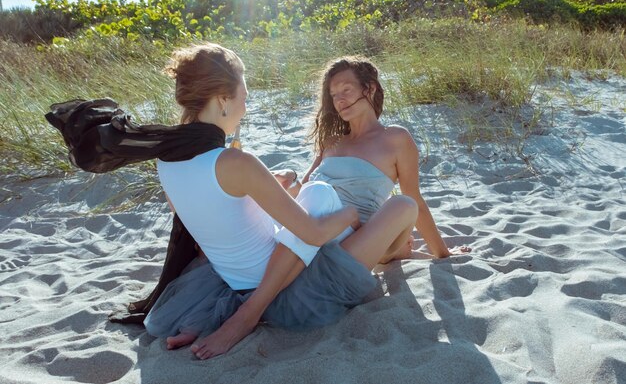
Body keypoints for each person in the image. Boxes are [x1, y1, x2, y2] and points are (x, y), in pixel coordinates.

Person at [141, 43, 420, 360]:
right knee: (326, 195)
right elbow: (313, 233)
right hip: (289, 273)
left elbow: (218, 217)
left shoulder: (165, 163)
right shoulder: (237, 162)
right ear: (223, 100)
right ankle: (246, 316)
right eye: (244, 98)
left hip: (239, 274)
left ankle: (223, 314)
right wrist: (350, 213)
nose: (245, 108)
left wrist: (269, 187)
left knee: (317, 196)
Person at [292, 56, 471, 263]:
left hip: (356, 242)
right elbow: (302, 191)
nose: (339, 100)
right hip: (308, 234)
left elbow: (414, 201)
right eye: (333, 95)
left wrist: (443, 254)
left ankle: (398, 252)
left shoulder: (395, 139)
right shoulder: (332, 141)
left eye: (346, 90)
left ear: (369, 89)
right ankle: (402, 252)